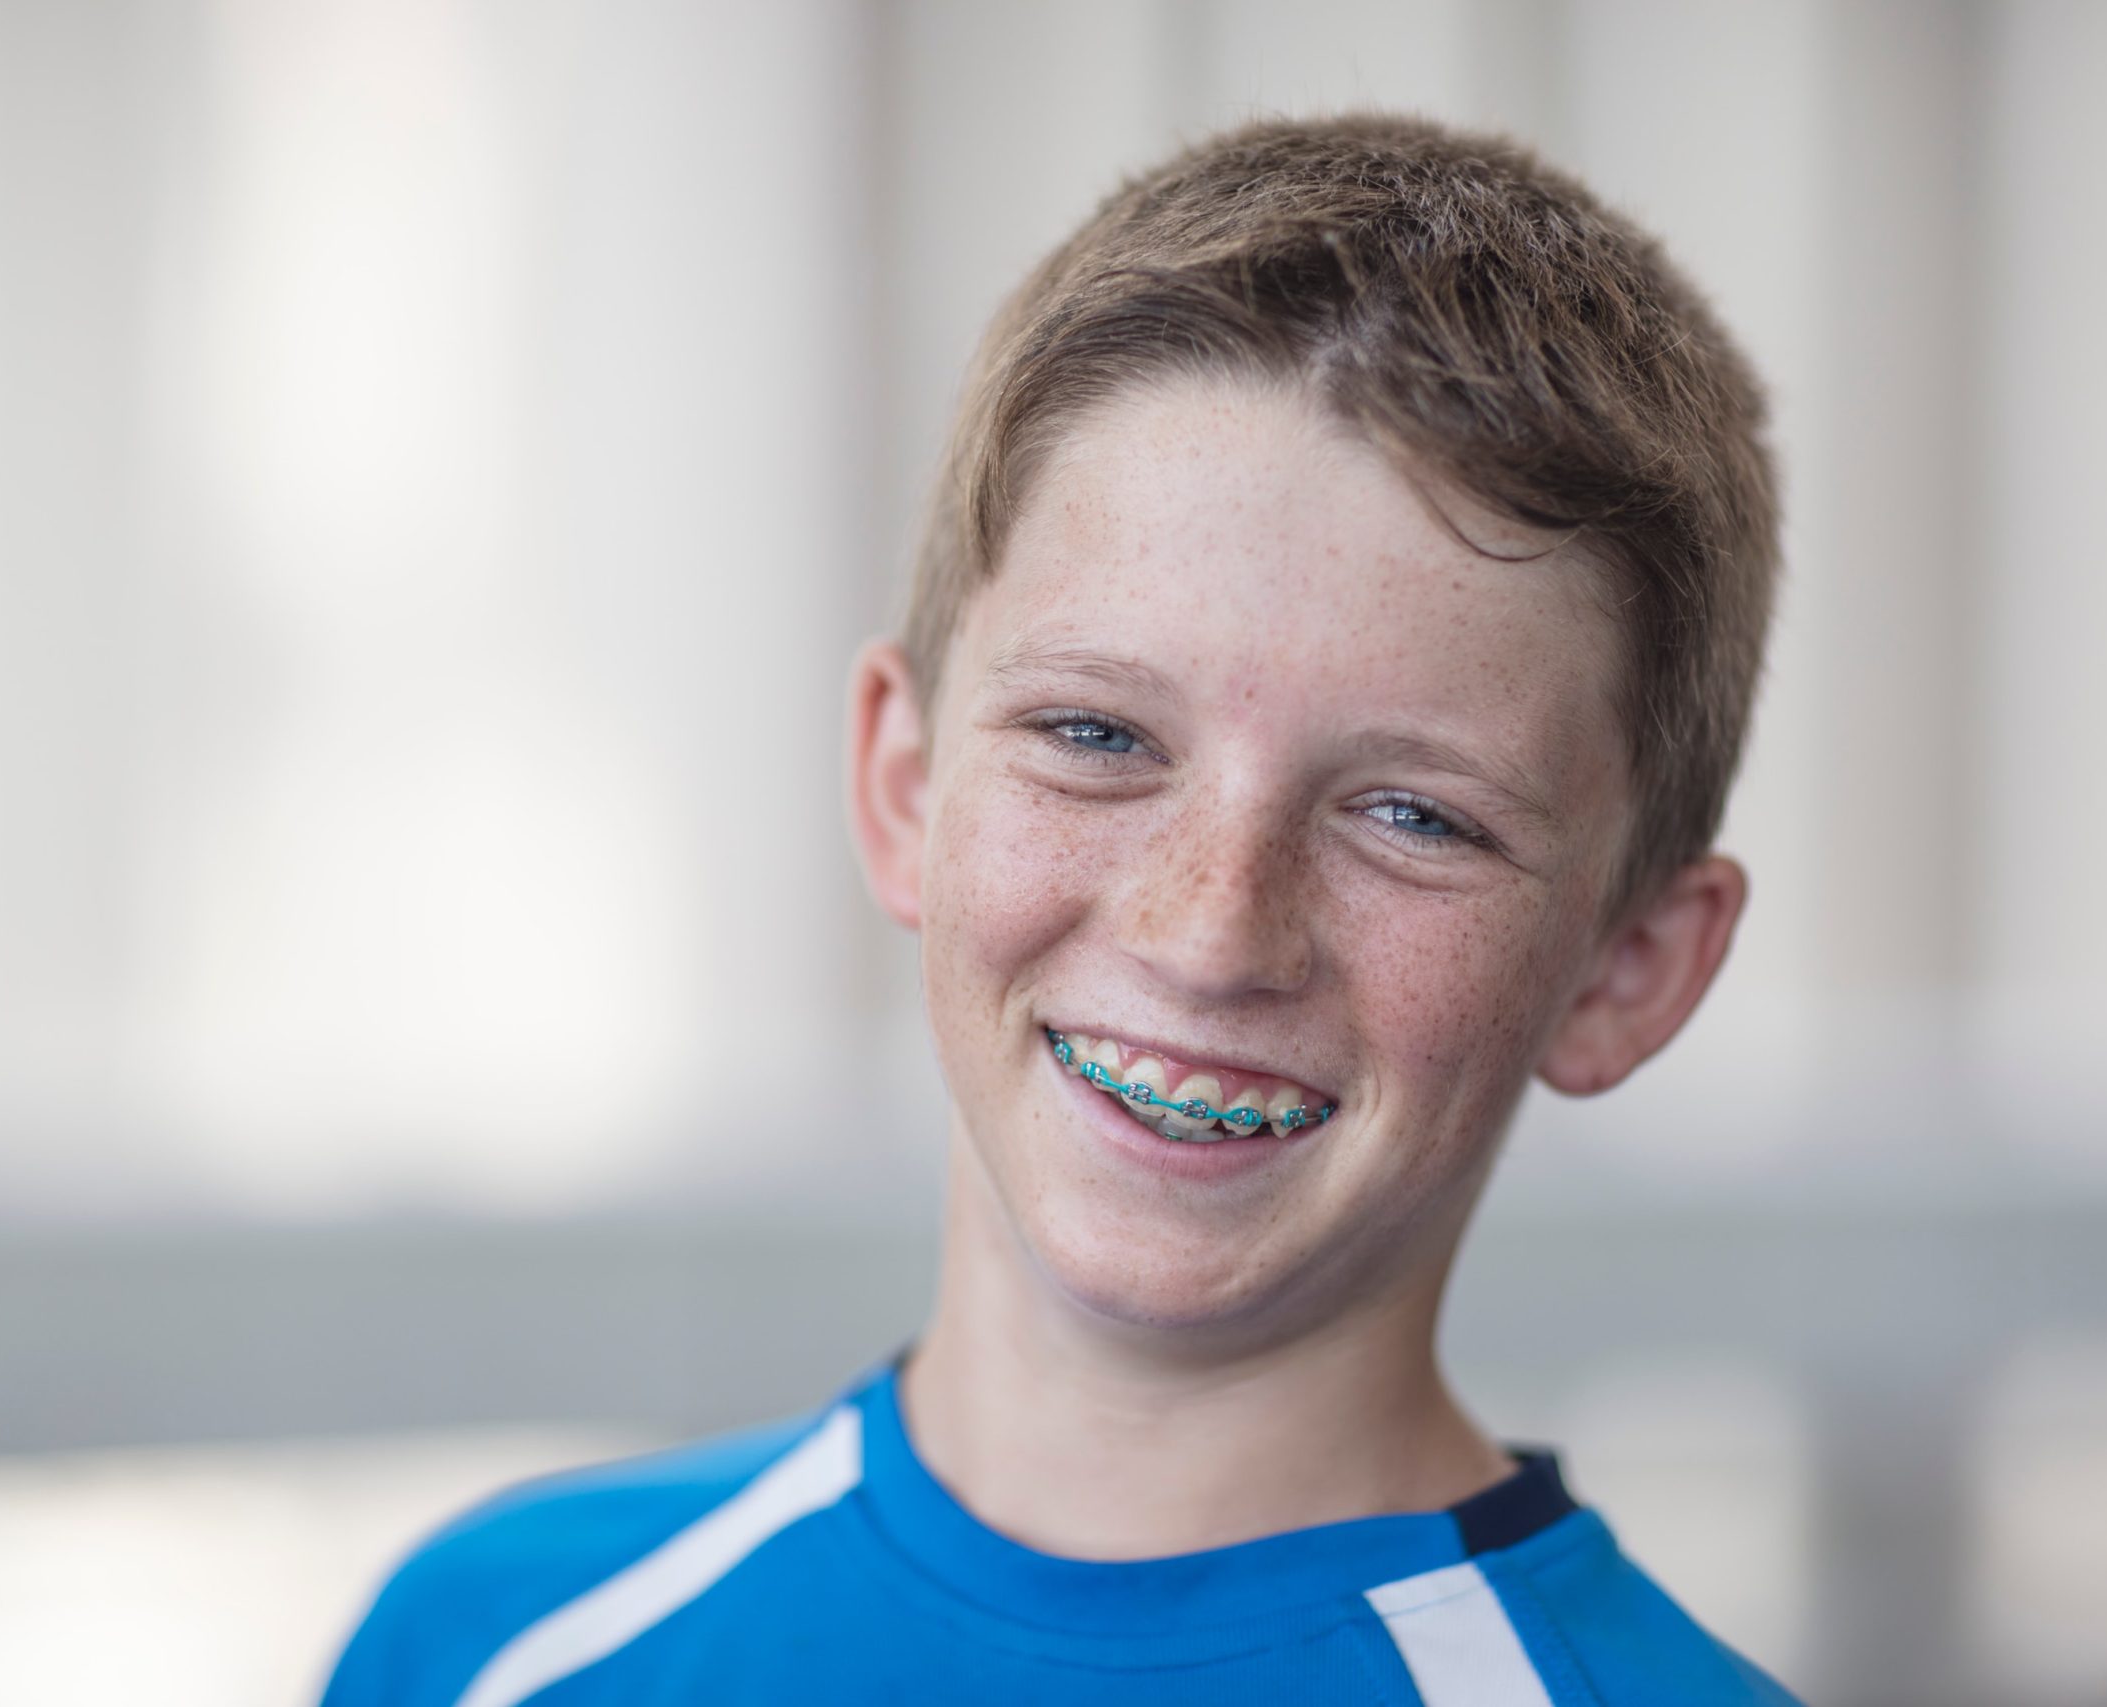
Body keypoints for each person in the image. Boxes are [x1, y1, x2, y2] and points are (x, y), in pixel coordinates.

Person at [321, 111, 1798, 1705]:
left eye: (1412, 816)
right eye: (1099, 737)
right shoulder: (489, 1647)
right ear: (904, 786)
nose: (1210, 932)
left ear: (1629, 970)